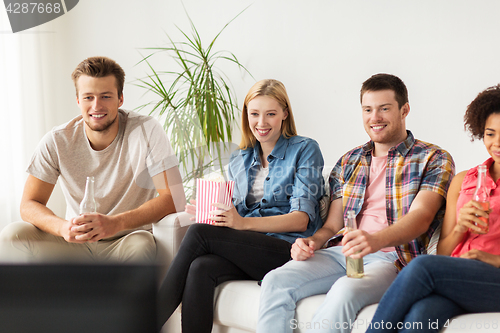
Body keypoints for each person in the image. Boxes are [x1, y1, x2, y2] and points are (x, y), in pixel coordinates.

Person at [257, 73, 455, 333]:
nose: (375, 117)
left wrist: (375, 240)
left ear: (404, 109)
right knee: (275, 280)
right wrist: (311, 242)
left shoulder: (434, 158)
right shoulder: (349, 161)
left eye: (384, 108)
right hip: (342, 253)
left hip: (392, 259)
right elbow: (332, 227)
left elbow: (421, 217)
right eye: (368, 109)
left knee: (345, 289)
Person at [156, 79, 325, 333]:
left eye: (271, 114)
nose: (261, 122)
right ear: (246, 116)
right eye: (254, 114)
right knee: (201, 267)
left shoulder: (305, 149)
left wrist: (241, 223)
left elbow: (301, 219)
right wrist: (214, 215)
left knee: (198, 234)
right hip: (251, 247)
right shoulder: (239, 158)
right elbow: (237, 215)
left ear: (285, 114)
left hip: (288, 248)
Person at [0, 56, 185, 263]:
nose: (96, 106)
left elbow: (174, 197)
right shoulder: (57, 140)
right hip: (76, 242)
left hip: (125, 239)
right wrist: (63, 227)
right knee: (13, 235)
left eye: (106, 96)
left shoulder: (147, 130)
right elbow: (29, 203)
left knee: (142, 244)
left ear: (120, 98)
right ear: (78, 100)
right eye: (88, 97)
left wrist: (115, 223)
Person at [365, 84, 500, 333]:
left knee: (422, 266)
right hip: (458, 276)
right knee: (421, 315)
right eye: (490, 134)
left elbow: (431, 264)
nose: (497, 142)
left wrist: (490, 258)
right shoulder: (464, 181)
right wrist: (460, 227)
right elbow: (443, 254)